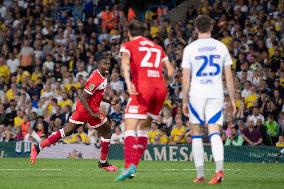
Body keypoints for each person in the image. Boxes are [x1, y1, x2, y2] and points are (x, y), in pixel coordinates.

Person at [30, 56, 119, 172]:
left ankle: (38, 147)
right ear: (99, 65)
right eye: (105, 64)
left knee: (66, 131)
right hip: (88, 110)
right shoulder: (96, 79)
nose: (107, 66)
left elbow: (96, 95)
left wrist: (109, 101)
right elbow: (83, 97)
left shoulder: (102, 75)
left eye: (108, 64)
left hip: (84, 109)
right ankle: (103, 163)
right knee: (107, 131)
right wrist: (92, 113)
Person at [116, 19, 174, 181]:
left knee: (129, 125)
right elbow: (170, 71)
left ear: (128, 33)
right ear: (144, 32)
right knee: (143, 128)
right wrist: (163, 85)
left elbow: (125, 64)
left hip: (143, 87)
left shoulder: (128, 46)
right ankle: (133, 167)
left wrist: (128, 83)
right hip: (159, 90)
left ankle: (128, 166)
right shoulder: (157, 47)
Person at [181, 15, 236, 184]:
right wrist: (233, 99)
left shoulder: (190, 48)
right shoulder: (221, 47)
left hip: (197, 94)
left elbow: (185, 78)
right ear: (211, 27)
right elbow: (228, 76)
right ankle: (219, 170)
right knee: (215, 132)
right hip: (215, 93)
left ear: (196, 29)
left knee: (196, 133)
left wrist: (184, 100)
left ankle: (200, 174)